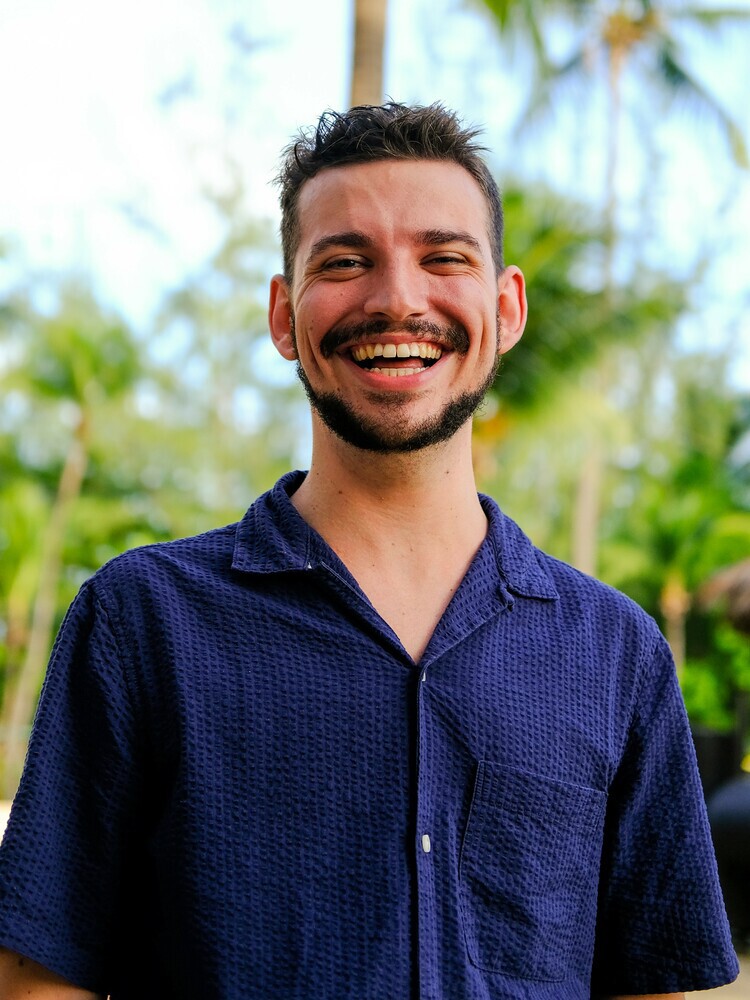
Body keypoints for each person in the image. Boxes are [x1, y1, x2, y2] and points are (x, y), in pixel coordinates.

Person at [0, 102, 739, 1000]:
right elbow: (39, 974)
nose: (395, 297)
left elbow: (662, 986)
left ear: (505, 309)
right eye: (344, 262)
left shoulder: (617, 655)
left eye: (444, 257)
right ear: (285, 316)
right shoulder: (141, 621)